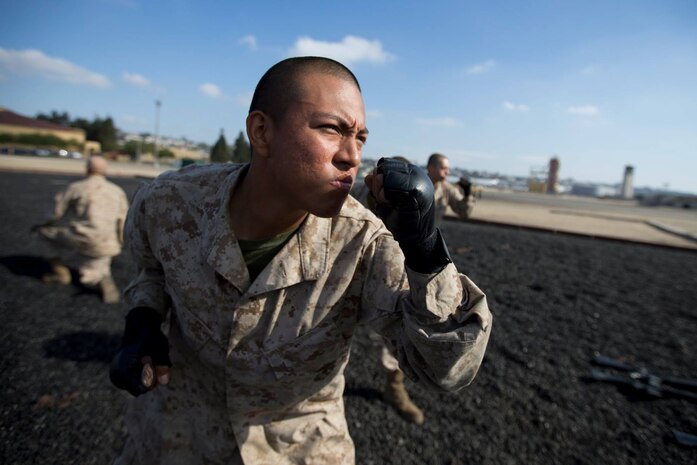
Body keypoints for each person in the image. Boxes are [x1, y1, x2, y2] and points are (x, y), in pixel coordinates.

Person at [110, 57, 492, 465]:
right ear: (261, 132)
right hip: (178, 437)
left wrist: (426, 250)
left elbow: (445, 369)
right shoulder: (170, 203)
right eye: (331, 129)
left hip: (299, 447)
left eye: (360, 138)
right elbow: (150, 266)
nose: (351, 156)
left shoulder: (362, 242)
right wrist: (143, 320)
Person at [351, 156, 425, 425]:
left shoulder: (430, 190)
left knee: (398, 329)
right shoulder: (356, 192)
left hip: (392, 265)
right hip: (350, 270)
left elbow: (462, 212)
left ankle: (394, 389)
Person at [34, 155, 129, 303]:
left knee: (42, 233)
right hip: (108, 242)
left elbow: (55, 212)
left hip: (82, 237)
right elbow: (123, 220)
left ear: (87, 169)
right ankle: (101, 277)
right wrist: (120, 241)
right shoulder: (117, 191)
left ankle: (60, 272)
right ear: (105, 170)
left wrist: (41, 223)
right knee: (98, 264)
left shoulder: (76, 188)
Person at [426, 152, 476, 225]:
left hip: (431, 235)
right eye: (443, 168)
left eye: (448, 169)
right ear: (431, 168)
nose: (447, 172)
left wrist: (467, 194)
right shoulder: (415, 185)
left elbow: (464, 213)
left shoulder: (447, 189)